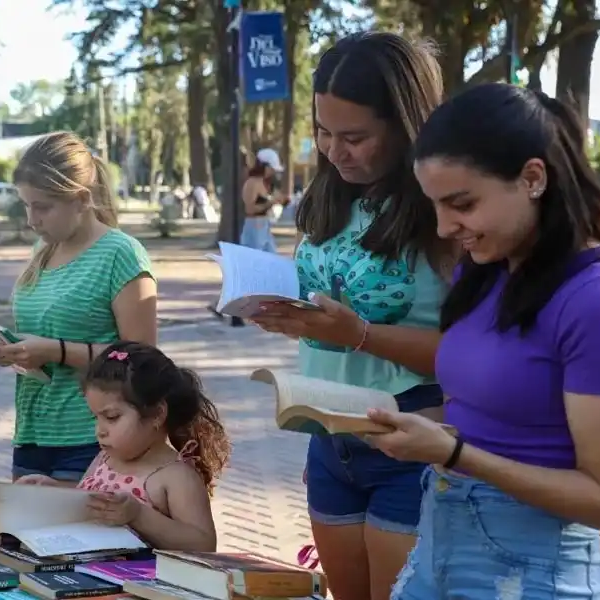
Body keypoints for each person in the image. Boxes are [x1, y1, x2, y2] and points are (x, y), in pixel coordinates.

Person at [368, 83, 600, 598]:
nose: (444, 227)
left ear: (533, 178)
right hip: (437, 546)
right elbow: (486, 411)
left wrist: (457, 452)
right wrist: (398, 425)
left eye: (461, 203)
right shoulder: (484, 272)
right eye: (435, 205)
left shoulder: (599, 301)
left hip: (533, 571)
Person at [249, 33, 450, 600]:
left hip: (408, 433)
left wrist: (357, 335)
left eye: (356, 137)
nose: (335, 151)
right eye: (323, 132)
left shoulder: (444, 209)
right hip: (327, 429)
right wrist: (285, 311)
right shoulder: (328, 195)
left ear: (407, 124)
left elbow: (471, 351)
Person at [0, 131, 157, 485]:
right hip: (34, 431)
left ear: (80, 200)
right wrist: (12, 350)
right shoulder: (43, 250)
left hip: (94, 435)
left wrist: (54, 351)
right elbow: (44, 334)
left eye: (42, 207)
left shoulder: (120, 254)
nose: (32, 219)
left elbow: (143, 359)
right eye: (26, 205)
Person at [17, 341, 229, 551]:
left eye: (112, 417)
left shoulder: (176, 476)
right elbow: (92, 500)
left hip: (138, 582)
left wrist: (138, 515)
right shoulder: (105, 458)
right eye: (95, 418)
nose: (100, 430)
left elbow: (203, 544)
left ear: (156, 414)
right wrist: (53, 491)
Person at [240, 148, 285, 253]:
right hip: (254, 226)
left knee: (271, 258)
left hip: (264, 225)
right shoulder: (252, 183)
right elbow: (249, 209)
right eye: (271, 168)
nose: (273, 172)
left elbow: (280, 198)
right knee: (256, 258)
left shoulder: (266, 183)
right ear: (264, 166)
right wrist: (270, 203)